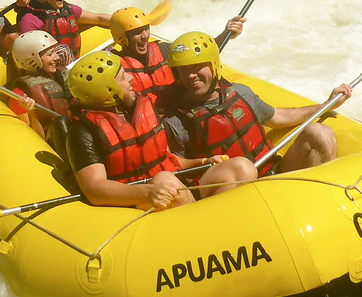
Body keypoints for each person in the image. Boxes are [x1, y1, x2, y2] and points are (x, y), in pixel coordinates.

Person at [67, 51, 256, 209]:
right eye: (123, 77)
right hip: (139, 201)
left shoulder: (140, 109)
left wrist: (203, 161)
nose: (131, 78)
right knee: (165, 180)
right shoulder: (83, 131)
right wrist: (149, 192)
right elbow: (95, 190)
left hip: (171, 189)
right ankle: (207, 229)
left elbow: (166, 160)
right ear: (107, 91)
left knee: (241, 167)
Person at [158, 31, 352, 176]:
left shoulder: (240, 93)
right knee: (243, 169)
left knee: (320, 133)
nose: (191, 76)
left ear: (214, 66)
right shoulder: (176, 121)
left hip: (270, 172)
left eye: (197, 67)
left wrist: (326, 104)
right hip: (236, 192)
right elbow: (176, 166)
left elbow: (277, 116)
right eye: (184, 71)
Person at [109, 7, 246, 106]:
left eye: (146, 29)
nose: (145, 36)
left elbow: (200, 53)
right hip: (154, 124)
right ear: (122, 38)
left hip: (181, 111)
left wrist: (226, 33)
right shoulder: (116, 69)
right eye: (138, 32)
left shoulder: (163, 50)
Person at [17, 0, 110, 62]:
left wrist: (121, 21)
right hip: (51, 70)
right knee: (63, 51)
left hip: (73, 63)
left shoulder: (67, 10)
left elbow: (99, 18)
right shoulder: (29, 20)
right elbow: (30, 56)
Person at [8, 30, 72, 145]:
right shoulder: (19, 95)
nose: (57, 57)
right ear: (31, 60)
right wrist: (31, 112)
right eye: (50, 54)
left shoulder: (59, 75)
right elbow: (36, 141)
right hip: (55, 145)